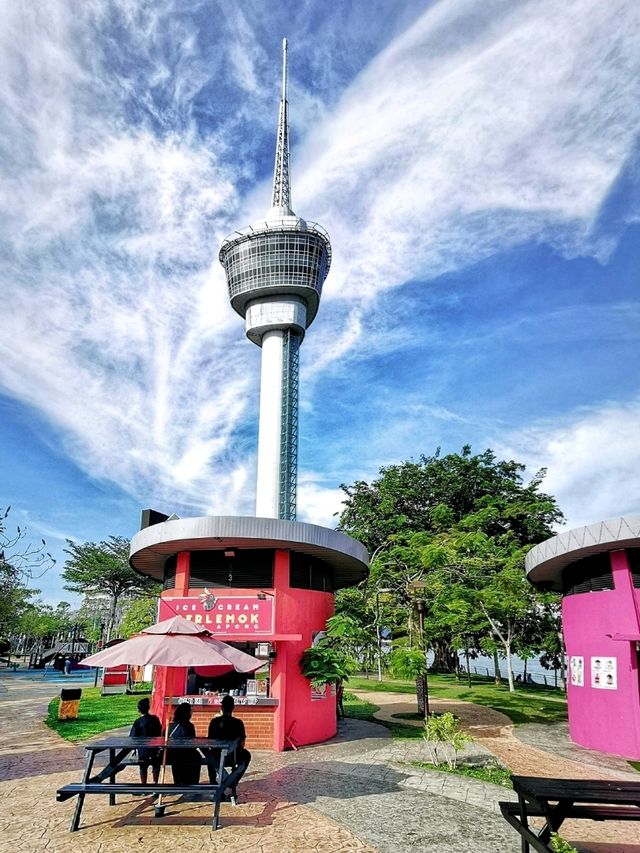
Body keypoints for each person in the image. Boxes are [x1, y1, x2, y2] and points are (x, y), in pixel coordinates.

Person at [207, 695, 251, 801]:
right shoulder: (238, 723)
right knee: (246, 755)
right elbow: (242, 742)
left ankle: (214, 785)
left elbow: (210, 740)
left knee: (209, 756)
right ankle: (233, 781)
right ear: (233, 707)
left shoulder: (214, 722)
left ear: (221, 708)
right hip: (233, 756)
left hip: (216, 756)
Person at [166, 703, 201, 785]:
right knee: (196, 756)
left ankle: (178, 781)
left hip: (171, 754)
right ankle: (193, 783)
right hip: (185, 754)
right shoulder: (189, 726)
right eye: (191, 711)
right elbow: (192, 743)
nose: (192, 713)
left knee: (178, 760)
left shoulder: (169, 726)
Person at [129, 697, 162, 784]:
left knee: (143, 767)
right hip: (155, 747)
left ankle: (144, 785)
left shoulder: (138, 722)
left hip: (143, 749)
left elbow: (132, 737)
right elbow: (159, 732)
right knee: (156, 766)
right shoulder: (155, 719)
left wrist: (133, 749)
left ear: (138, 710)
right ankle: (155, 783)